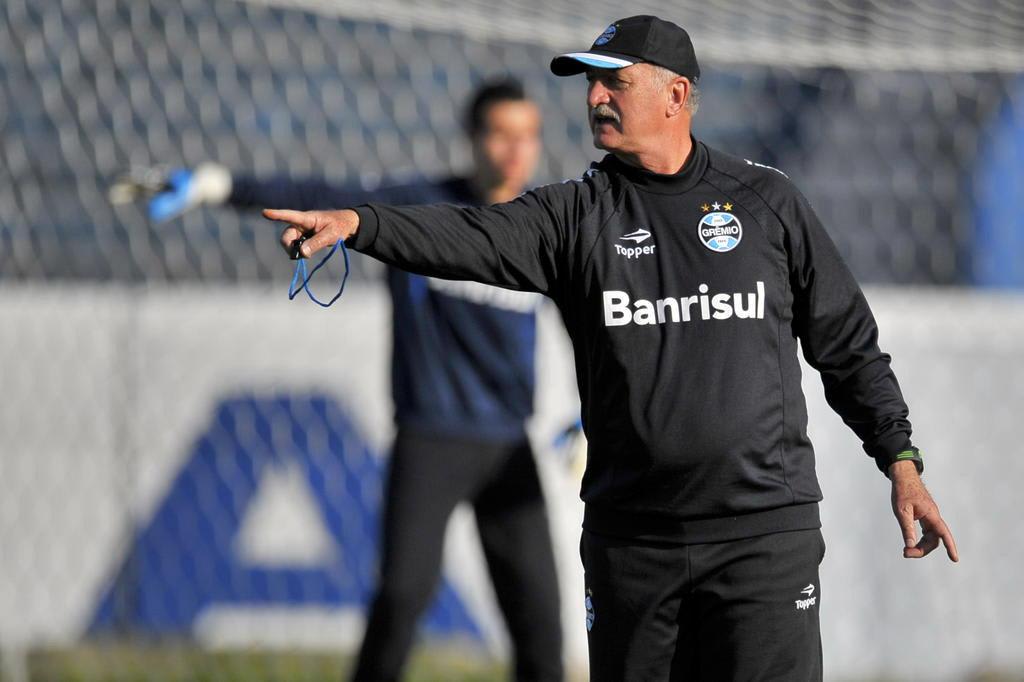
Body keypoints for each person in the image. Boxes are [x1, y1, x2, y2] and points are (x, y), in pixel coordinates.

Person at [266, 15, 961, 681]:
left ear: (676, 95)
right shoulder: (576, 214)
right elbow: (466, 237)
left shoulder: (766, 202)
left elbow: (848, 345)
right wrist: (359, 224)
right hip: (634, 547)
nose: (594, 97)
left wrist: (900, 460)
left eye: (614, 82)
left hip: (761, 541)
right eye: (588, 83)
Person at [139, 80, 564, 682]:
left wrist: (596, 415)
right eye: (500, 133)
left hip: (508, 446)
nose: (515, 150)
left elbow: (596, 310)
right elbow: (322, 199)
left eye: (527, 136)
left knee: (541, 627)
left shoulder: (544, 223)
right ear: (473, 140)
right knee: (402, 599)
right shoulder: (422, 207)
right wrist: (218, 185)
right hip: (432, 437)